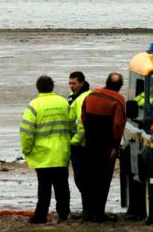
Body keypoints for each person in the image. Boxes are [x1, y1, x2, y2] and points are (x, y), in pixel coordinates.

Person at [19, 75, 71, 224]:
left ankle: (41, 215)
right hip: (61, 152)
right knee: (62, 186)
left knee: (44, 187)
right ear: (52, 87)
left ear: (38, 88)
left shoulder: (34, 105)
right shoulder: (63, 103)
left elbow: (26, 131)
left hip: (42, 154)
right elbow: (72, 124)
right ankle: (64, 214)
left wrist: (26, 150)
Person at [81, 72, 126, 222]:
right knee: (103, 178)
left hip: (90, 142)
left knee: (89, 177)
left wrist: (89, 133)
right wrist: (115, 145)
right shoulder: (118, 100)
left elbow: (83, 117)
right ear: (120, 86)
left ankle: (87, 211)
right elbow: (118, 125)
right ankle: (98, 213)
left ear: (106, 82)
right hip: (106, 144)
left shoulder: (91, 95)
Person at [67, 72, 90, 215]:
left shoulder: (82, 98)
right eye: (70, 83)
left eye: (74, 83)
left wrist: (73, 142)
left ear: (82, 83)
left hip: (81, 146)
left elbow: (82, 126)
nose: (71, 86)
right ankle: (88, 209)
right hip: (82, 144)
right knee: (82, 179)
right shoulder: (74, 96)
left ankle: (87, 209)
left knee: (82, 179)